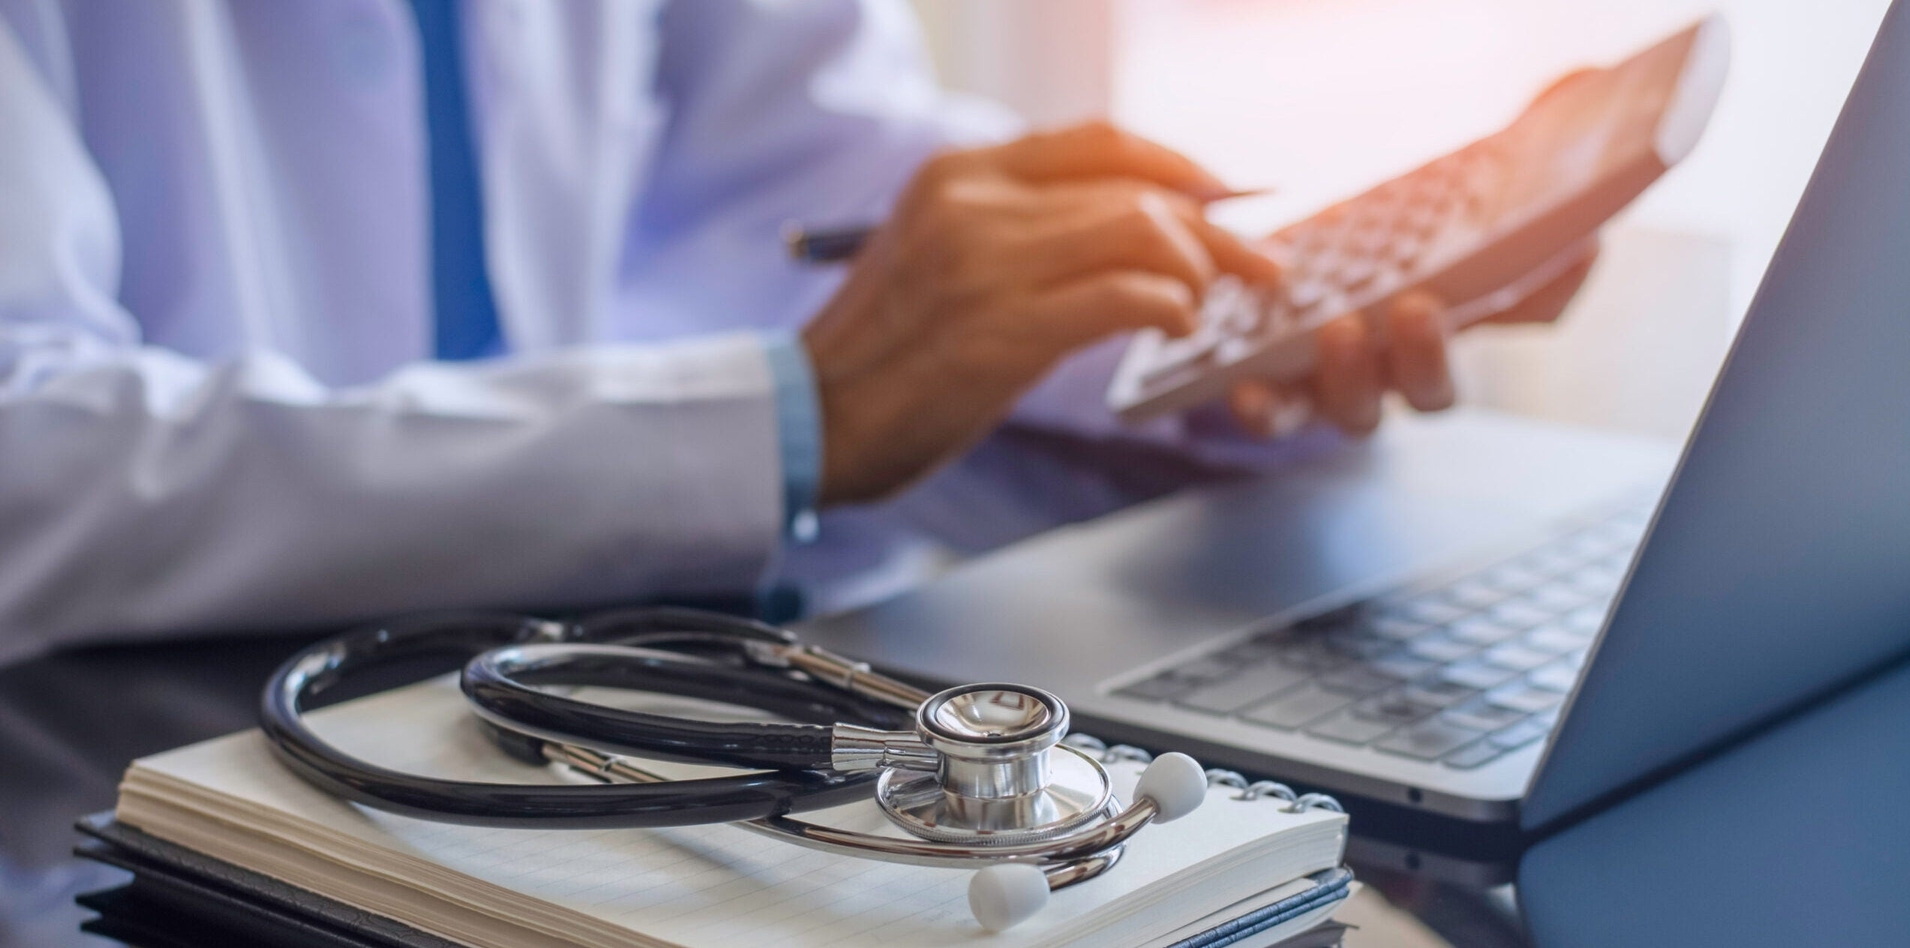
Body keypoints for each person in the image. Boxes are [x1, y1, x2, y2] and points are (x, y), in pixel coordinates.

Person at [0, 0, 1594, 671]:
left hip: (551, 709)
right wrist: (790, 418)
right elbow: (28, 458)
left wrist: (1211, 302)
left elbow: (803, 170)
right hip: (133, 828)